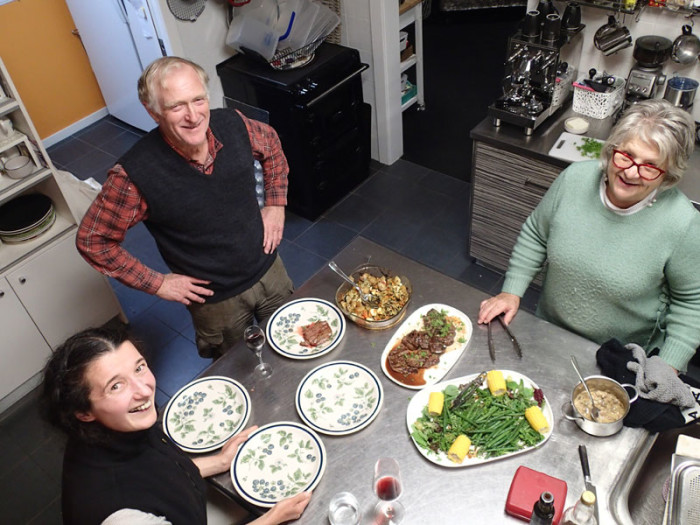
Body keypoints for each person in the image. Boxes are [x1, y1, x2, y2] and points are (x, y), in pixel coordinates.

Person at [76, 57, 293, 359]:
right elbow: (92, 240)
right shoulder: (133, 175)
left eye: (198, 100)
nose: (193, 116)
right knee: (243, 370)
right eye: (176, 106)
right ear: (152, 112)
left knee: (295, 342)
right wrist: (158, 284)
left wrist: (275, 204)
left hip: (271, 271)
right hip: (216, 303)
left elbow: (271, 146)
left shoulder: (234, 124)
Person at [478, 99, 700, 373]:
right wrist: (511, 291)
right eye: (626, 155)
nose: (631, 172)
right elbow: (536, 233)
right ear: (611, 149)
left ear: (667, 176)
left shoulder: (683, 223)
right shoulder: (574, 179)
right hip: (548, 332)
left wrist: (668, 364)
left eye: (650, 166)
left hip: (621, 358)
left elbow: (692, 303)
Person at [41, 326, 312, 524]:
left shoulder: (117, 427)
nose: (144, 390)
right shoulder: (119, 516)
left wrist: (219, 461)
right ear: (83, 412)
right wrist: (274, 517)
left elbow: (160, 470)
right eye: (116, 385)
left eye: (139, 367)